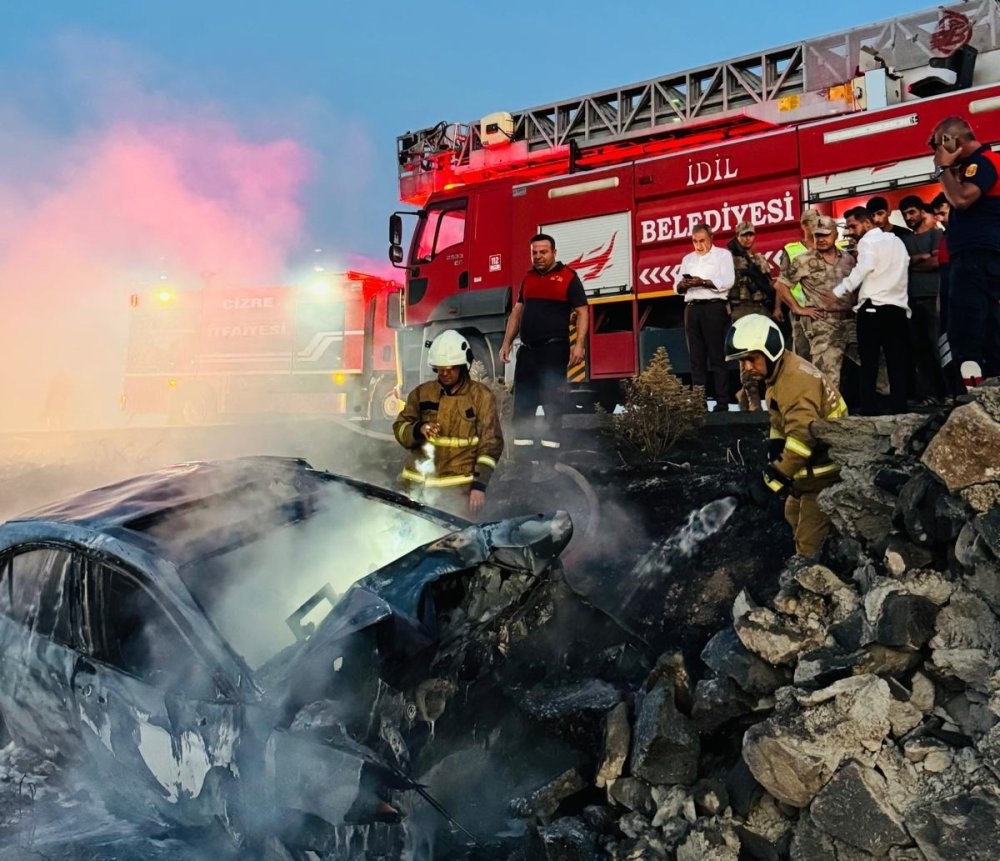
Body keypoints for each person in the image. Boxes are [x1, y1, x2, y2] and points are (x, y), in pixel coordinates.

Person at [725, 314, 847, 559]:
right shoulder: (779, 373)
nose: (747, 367)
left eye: (751, 359)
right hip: (809, 471)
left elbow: (802, 440)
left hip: (826, 473)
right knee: (792, 513)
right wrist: (775, 444)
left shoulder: (795, 382)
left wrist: (774, 478)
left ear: (770, 350)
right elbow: (781, 419)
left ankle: (815, 580)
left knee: (807, 540)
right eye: (742, 361)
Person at [499, 233, 588, 466]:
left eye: (543, 252)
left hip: (553, 352)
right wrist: (507, 342)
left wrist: (579, 345)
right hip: (528, 354)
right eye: (534, 252)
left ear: (554, 253)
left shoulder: (568, 277)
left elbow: (583, 311)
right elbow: (517, 312)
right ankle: (523, 461)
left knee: (552, 405)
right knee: (523, 407)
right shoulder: (528, 279)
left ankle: (551, 461)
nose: (538, 257)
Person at [394, 330, 503, 517]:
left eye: (450, 368)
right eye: (440, 368)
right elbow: (400, 427)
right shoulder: (422, 393)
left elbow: (491, 444)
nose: (444, 373)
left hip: (456, 496)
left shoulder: (481, 397)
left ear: (463, 365)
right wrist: (419, 429)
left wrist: (479, 486)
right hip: (414, 490)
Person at [931, 115, 1000, 386]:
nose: (937, 153)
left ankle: (970, 391)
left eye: (940, 145)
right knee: (989, 327)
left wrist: (942, 168)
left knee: (965, 329)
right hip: (982, 257)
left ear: (953, 142)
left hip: (976, 257)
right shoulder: (977, 164)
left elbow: (960, 200)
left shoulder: (983, 163)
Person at [831, 207, 911, 415]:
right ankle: (899, 408)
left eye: (853, 226)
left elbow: (864, 267)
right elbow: (906, 265)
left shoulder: (868, 242)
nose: (850, 231)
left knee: (869, 363)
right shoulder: (897, 241)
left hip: (873, 307)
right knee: (897, 362)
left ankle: (868, 410)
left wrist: (840, 289)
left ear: (867, 223)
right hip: (898, 308)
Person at [773, 215, 857, 392]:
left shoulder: (848, 259)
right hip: (823, 325)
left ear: (835, 234)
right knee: (828, 379)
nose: (820, 239)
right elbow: (781, 285)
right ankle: (828, 418)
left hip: (851, 322)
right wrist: (798, 308)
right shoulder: (803, 260)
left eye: (825, 235)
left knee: (874, 369)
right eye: (817, 235)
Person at [677, 223, 735, 411]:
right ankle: (698, 402)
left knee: (717, 356)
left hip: (713, 307)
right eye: (695, 241)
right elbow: (676, 286)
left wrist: (703, 282)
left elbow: (728, 281)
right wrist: (685, 284)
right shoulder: (688, 259)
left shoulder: (722, 255)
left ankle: (722, 401)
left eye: (702, 241)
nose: (698, 245)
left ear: (711, 239)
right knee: (696, 358)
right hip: (692, 308)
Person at [898, 194, 945, 403]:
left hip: (933, 297)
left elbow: (936, 262)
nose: (908, 217)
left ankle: (948, 392)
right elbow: (902, 265)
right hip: (911, 301)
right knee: (919, 351)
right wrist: (920, 258)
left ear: (921, 211)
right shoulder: (905, 240)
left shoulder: (936, 234)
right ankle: (929, 394)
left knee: (938, 348)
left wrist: (912, 263)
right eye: (905, 214)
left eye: (912, 212)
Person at [727, 221, 777, 410]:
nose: (748, 238)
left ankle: (753, 397)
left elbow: (769, 284)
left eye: (751, 235)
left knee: (765, 355)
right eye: (743, 235)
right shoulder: (730, 260)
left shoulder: (759, 259)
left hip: (761, 310)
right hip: (741, 309)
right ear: (737, 236)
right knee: (746, 356)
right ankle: (752, 400)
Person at [778, 209, 820, 360]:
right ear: (803, 225)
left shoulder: (829, 247)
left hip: (826, 313)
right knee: (803, 356)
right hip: (802, 313)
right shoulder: (791, 250)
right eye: (810, 222)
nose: (815, 225)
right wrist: (794, 308)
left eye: (817, 221)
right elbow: (780, 284)